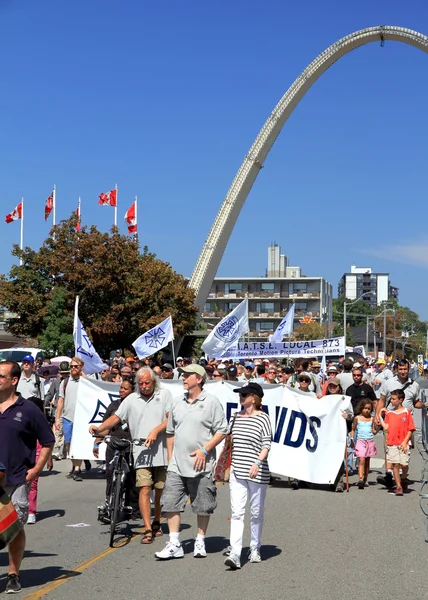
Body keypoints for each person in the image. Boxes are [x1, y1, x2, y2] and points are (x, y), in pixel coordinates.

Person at [90, 367, 171, 544]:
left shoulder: (164, 395)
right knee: (144, 487)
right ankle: (148, 528)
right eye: (140, 383)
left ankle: (157, 520)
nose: (143, 386)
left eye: (147, 383)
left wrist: (156, 431)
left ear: (154, 382)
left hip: (161, 452)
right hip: (140, 451)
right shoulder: (132, 399)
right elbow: (116, 418)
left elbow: (170, 419)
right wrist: (99, 428)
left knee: (159, 489)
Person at [155, 363, 227, 560]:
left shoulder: (212, 402)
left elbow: (222, 430)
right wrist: (170, 459)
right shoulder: (177, 402)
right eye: (183, 375)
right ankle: (174, 543)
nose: (183, 378)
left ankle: (200, 540)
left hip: (201, 465)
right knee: (170, 502)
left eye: (188, 375)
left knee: (203, 504)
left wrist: (205, 449)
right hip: (177, 465)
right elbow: (170, 432)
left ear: (199, 379)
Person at [0, 361, 54, 594]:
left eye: (1, 376)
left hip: (16, 478)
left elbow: (48, 441)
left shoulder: (28, 409)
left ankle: (13, 573)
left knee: (13, 528)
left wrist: (37, 468)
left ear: (14, 381)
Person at [224, 383, 272, 570]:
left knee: (255, 513)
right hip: (237, 471)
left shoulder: (263, 418)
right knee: (237, 512)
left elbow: (266, 444)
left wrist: (258, 463)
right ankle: (235, 552)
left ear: (254, 397)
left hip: (257, 472)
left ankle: (255, 547)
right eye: (240, 395)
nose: (241, 398)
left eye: (244, 395)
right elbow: (225, 435)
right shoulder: (235, 417)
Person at [93, 378, 139, 521]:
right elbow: (105, 426)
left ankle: (132, 510)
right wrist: (97, 442)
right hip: (113, 445)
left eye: (125, 389)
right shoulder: (113, 406)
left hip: (130, 446)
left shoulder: (137, 406)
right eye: (121, 388)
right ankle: (109, 508)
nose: (122, 391)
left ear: (132, 391)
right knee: (110, 475)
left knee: (131, 478)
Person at [375, 359, 423, 488]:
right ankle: (389, 475)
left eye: (405, 369)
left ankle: (401, 476)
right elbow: (382, 400)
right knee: (389, 448)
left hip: (406, 423)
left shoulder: (414, 385)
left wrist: (424, 405)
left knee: (404, 449)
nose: (403, 371)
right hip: (390, 421)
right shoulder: (388, 383)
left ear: (409, 369)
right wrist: (377, 416)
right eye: (400, 369)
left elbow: (415, 403)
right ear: (397, 369)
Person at [379, 389, 416, 495]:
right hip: (392, 442)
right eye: (391, 398)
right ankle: (399, 486)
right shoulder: (389, 413)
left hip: (403, 442)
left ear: (400, 400)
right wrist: (380, 416)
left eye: (394, 399)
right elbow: (386, 427)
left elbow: (411, 428)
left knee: (404, 464)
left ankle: (403, 478)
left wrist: (405, 441)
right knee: (395, 464)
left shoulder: (406, 412)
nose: (391, 401)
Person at [55, 357, 85, 481]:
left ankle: (77, 469)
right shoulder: (65, 382)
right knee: (69, 444)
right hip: (67, 417)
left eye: (75, 366)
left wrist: (85, 376)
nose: (73, 368)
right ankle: (74, 465)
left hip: (81, 418)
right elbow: (61, 400)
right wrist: (57, 418)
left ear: (81, 367)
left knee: (77, 443)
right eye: (71, 366)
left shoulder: (86, 381)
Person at [350, 400, 378, 489]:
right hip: (360, 441)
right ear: (361, 408)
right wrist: (351, 439)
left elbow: (374, 431)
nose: (367, 410)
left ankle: (366, 479)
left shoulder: (372, 419)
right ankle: (361, 479)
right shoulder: (357, 418)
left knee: (367, 461)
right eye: (365, 408)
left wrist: (378, 427)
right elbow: (353, 429)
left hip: (369, 441)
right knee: (361, 460)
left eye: (369, 409)